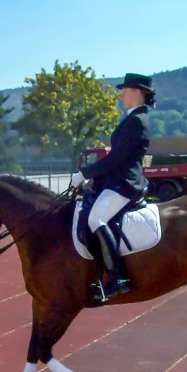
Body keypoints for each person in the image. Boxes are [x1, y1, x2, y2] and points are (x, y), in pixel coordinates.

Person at [70, 73, 153, 298]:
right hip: (116, 181)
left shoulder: (137, 121)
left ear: (137, 92)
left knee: (96, 219)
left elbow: (117, 159)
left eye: (125, 90)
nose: (121, 95)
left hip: (125, 183)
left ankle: (118, 278)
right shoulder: (132, 118)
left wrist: (85, 174)